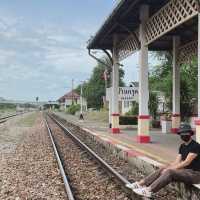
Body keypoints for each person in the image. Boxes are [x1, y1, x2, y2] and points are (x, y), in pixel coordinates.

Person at [126, 123, 200, 198]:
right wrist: (167, 167)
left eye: (186, 133)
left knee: (170, 172)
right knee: (163, 168)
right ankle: (140, 184)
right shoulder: (182, 146)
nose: (184, 135)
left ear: (190, 134)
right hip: (185, 171)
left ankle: (149, 190)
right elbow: (177, 162)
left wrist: (170, 169)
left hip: (195, 174)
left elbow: (186, 162)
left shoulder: (195, 146)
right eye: (182, 133)